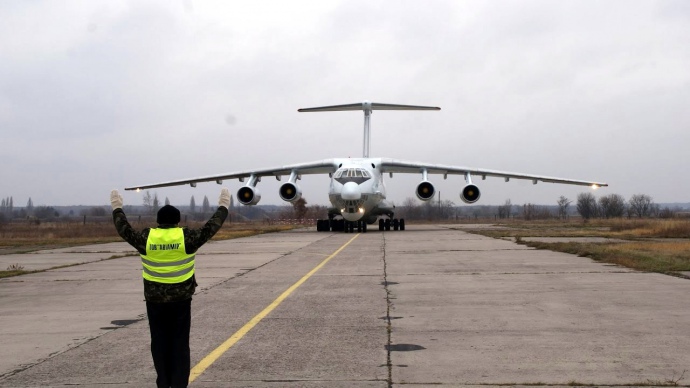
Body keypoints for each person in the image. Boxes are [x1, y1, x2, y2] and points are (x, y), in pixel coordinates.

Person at [110, 188, 231, 388]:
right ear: (177, 220)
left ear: (158, 221)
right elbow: (212, 227)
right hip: (181, 301)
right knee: (180, 344)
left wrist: (117, 207)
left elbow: (124, 229)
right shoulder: (186, 238)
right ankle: (179, 383)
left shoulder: (147, 238)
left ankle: (163, 382)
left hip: (154, 302)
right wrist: (223, 205)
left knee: (159, 343)